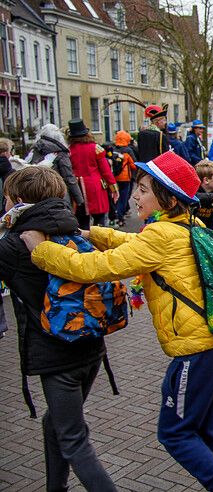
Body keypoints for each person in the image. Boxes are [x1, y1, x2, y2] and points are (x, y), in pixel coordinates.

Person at [22, 151, 213, 492]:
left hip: (199, 350)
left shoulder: (160, 237)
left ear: (168, 197)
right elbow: (136, 243)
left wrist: (40, 249)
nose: (135, 196)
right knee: (209, 429)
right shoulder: (186, 224)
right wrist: (95, 233)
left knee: (174, 433)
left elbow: (93, 268)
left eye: (143, 189)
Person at [0, 167, 115, 491]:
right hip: (90, 348)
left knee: (74, 439)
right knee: (57, 424)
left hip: (58, 357)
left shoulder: (14, 245)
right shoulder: (72, 230)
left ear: (19, 201)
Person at [67, 119, 118, 229]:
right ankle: (98, 240)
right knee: (99, 218)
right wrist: (114, 188)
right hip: (95, 187)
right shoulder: (95, 148)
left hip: (77, 187)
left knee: (82, 220)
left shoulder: (69, 151)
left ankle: (85, 242)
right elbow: (106, 171)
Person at [25, 124, 84, 210]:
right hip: (58, 191)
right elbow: (69, 177)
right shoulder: (60, 152)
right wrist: (79, 199)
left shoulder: (35, 150)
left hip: (37, 192)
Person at [111, 130, 137, 228]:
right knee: (123, 198)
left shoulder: (113, 149)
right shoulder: (128, 150)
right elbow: (134, 165)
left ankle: (114, 215)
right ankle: (120, 217)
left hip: (115, 177)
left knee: (116, 197)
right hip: (125, 178)